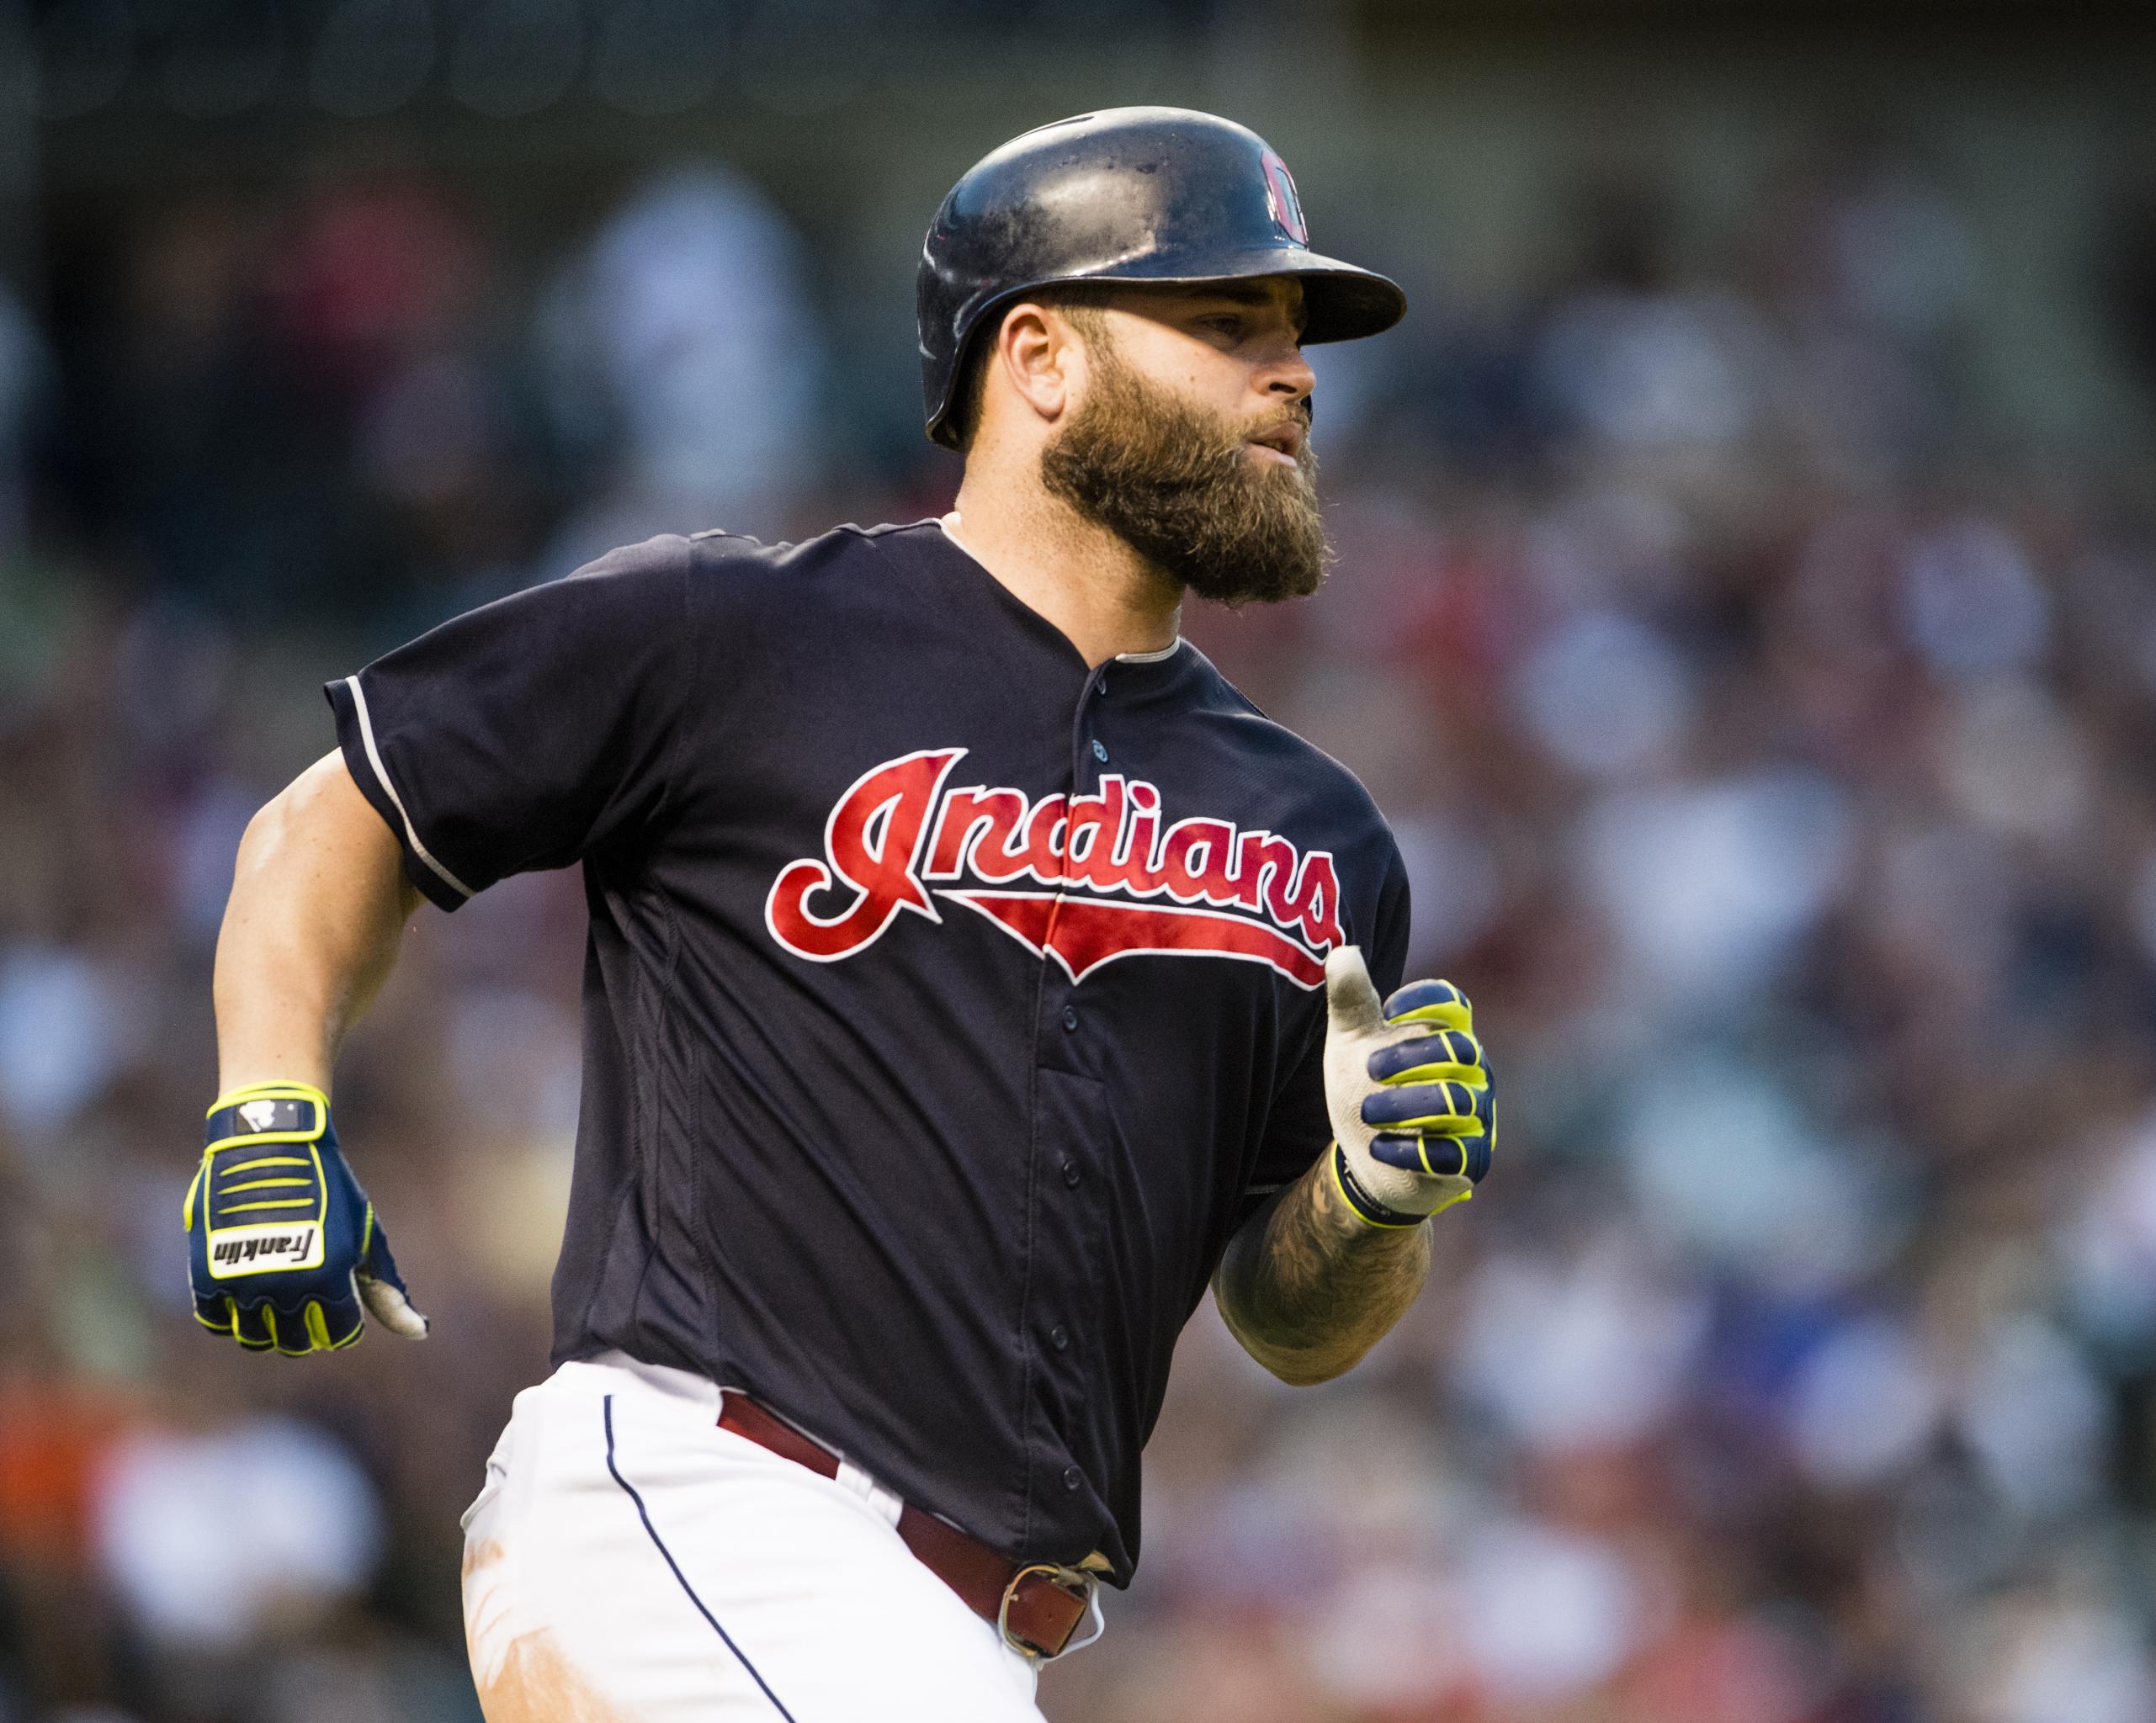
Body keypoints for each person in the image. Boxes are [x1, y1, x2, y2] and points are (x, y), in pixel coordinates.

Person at [188, 108, 1499, 1721]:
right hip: (707, 1509)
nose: (1290, 375)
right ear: (1040, 360)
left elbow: (1288, 1320)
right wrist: (268, 1116)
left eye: (1293, 335)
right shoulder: (738, 633)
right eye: (1228, 324)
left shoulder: (1318, 831)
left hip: (963, 1636)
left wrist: (1374, 1203)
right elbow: (336, 819)